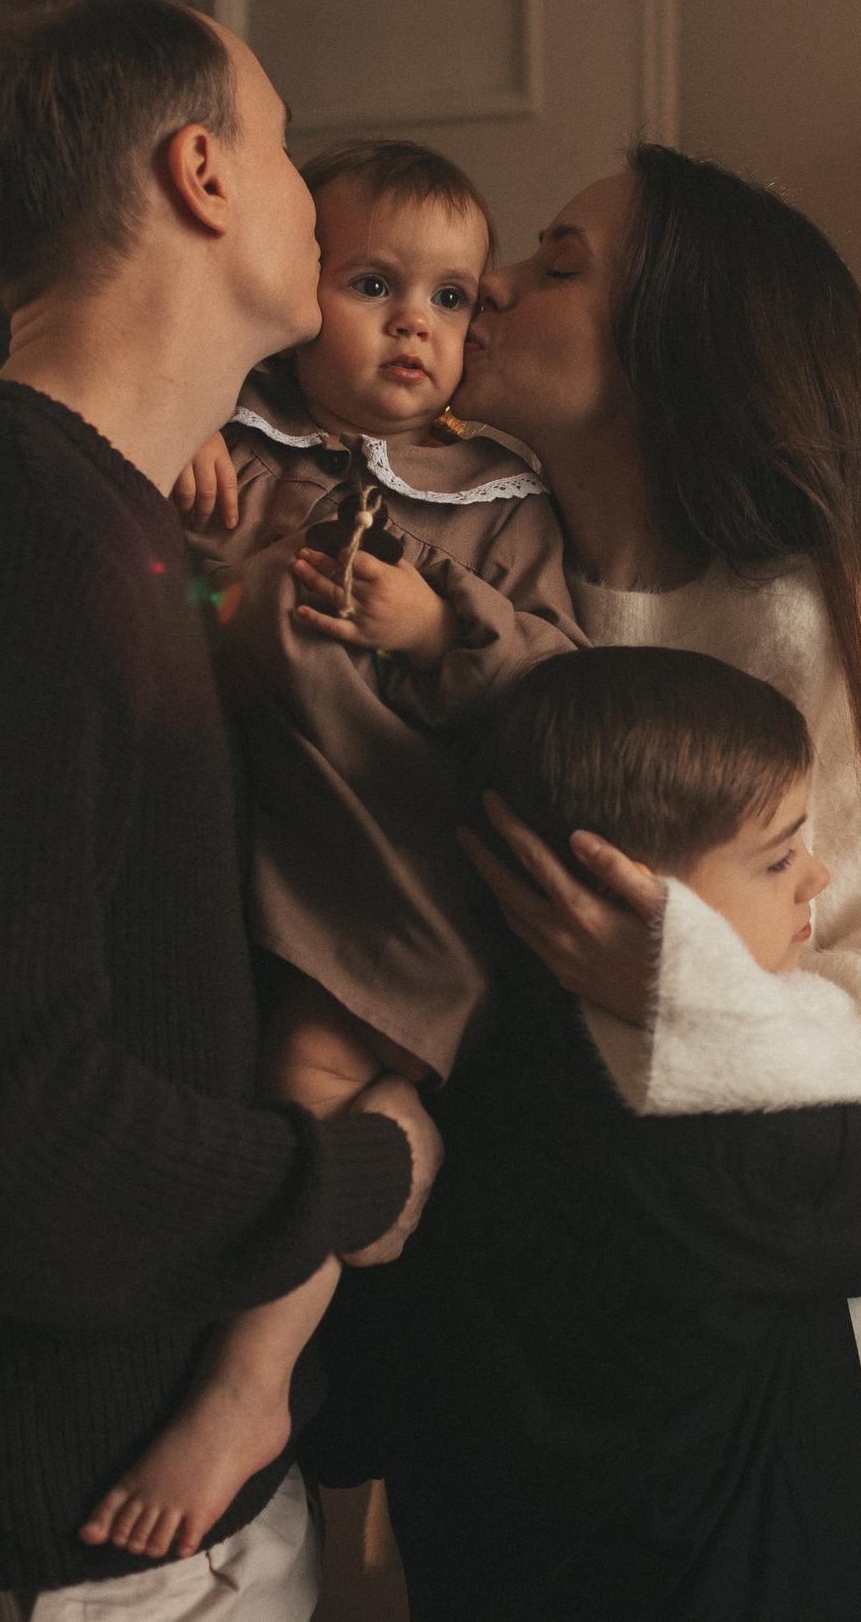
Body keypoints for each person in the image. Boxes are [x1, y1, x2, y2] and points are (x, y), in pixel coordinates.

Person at [0, 0, 440, 1621]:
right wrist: (359, 1177)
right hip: (87, 1522)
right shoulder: (12, 554)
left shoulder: (84, 522)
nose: (303, 187)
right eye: (281, 148)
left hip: (70, 1480)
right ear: (200, 178)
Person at [340, 146, 861, 1620]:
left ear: (682, 346)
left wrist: (671, 975)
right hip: (537, 1388)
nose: (493, 283)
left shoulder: (806, 625)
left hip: (784, 1406)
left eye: (561, 261)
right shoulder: (470, 579)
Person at [79, 139, 583, 1561]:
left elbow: (566, 684)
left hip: (408, 862)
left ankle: (247, 1393)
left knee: (302, 1083)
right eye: (373, 284)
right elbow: (165, 627)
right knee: (257, 1084)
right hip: (259, 845)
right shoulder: (236, 446)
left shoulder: (501, 501)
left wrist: (441, 628)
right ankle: (396, 1146)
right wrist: (184, 513)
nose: (415, 323)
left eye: (452, 295)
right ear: (304, 295)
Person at [321, 645, 861, 1619]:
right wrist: (709, 993)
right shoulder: (708, 1133)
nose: (815, 877)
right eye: (776, 855)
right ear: (610, 885)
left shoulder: (453, 1057)